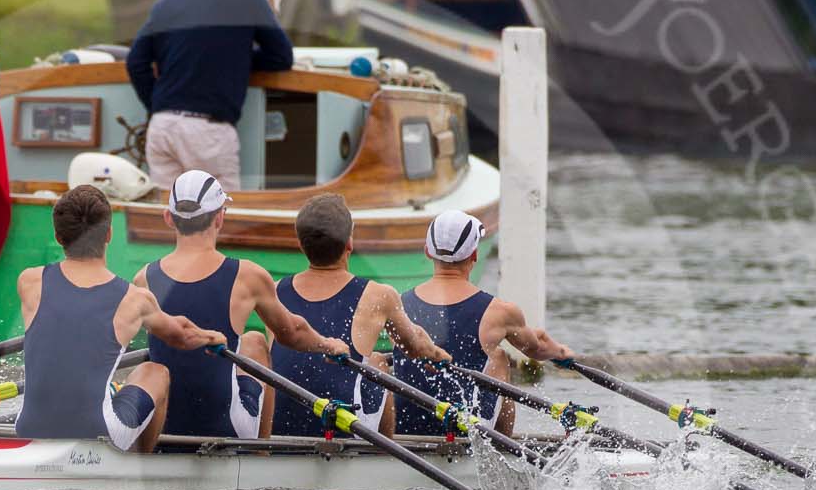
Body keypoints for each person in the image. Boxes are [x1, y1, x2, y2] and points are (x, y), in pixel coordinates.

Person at [134, 170, 350, 439]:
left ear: (168, 218)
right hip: (225, 428)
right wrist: (328, 344)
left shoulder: (143, 278)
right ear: (220, 217)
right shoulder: (247, 276)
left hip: (166, 428)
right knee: (256, 341)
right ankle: (261, 450)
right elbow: (291, 333)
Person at [15, 185, 224, 452]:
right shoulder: (136, 299)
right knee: (155, 371)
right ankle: (139, 468)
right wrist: (212, 337)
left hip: (27, 428)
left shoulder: (30, 281)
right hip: (97, 431)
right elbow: (181, 337)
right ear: (109, 235)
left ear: (58, 237)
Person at [265, 193, 450, 438]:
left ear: (301, 245)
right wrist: (438, 355)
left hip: (281, 428)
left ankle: (261, 444)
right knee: (378, 362)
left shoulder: (274, 290)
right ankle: (382, 457)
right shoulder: (379, 295)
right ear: (349, 243)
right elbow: (414, 347)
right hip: (344, 429)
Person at [125, 0, 295, 192]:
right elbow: (282, 57)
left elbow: (136, 61)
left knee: (169, 216)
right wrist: (239, 59)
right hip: (209, 133)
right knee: (220, 217)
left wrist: (159, 104)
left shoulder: (168, 2)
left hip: (162, 127)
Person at [389, 210, 576, 436]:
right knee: (498, 358)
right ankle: (502, 446)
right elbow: (536, 348)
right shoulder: (500, 312)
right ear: (474, 255)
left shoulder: (398, 304)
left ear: (428, 251)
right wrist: (561, 353)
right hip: (464, 429)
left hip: (404, 429)